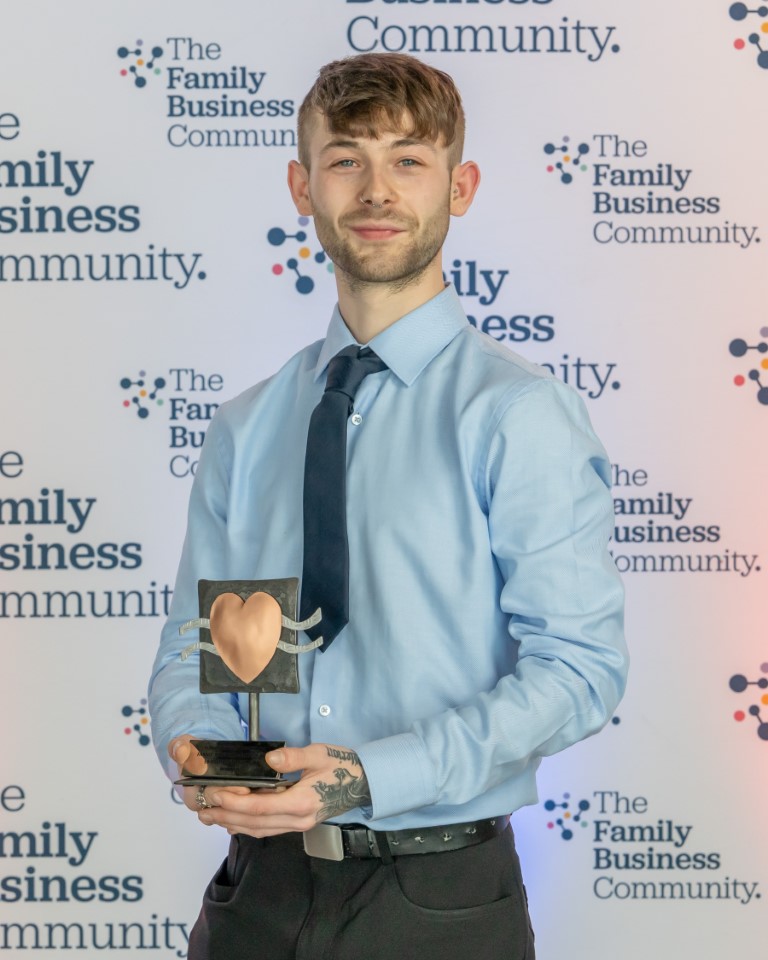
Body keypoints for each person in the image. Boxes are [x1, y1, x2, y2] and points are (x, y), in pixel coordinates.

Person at [149, 52, 627, 960]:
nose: (376, 190)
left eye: (408, 160)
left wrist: (368, 777)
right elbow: (202, 650)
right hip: (256, 894)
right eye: (346, 160)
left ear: (460, 186)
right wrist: (201, 752)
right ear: (303, 186)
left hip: (439, 899)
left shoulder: (516, 414)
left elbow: (577, 671)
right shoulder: (249, 426)